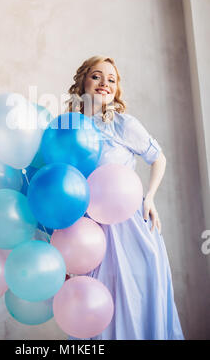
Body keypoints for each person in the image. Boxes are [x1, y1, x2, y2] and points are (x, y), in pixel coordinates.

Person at [65, 55, 184, 340]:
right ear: (83, 81)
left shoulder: (122, 125)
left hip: (131, 232)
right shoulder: (66, 128)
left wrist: (150, 198)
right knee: (95, 305)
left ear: (116, 90)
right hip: (89, 235)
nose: (104, 83)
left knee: (134, 303)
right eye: (96, 76)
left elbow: (159, 159)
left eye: (111, 79)